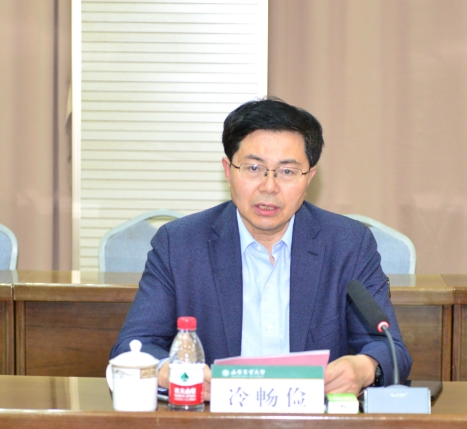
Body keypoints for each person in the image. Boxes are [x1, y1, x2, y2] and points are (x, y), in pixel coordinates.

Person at [111, 97, 412, 399]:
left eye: (287, 171)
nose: (269, 186)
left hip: (312, 416)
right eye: (254, 168)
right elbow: (134, 345)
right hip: (215, 415)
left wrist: (363, 368)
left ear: (309, 177)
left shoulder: (348, 244)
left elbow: (389, 348)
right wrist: (174, 372)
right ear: (228, 170)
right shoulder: (179, 244)